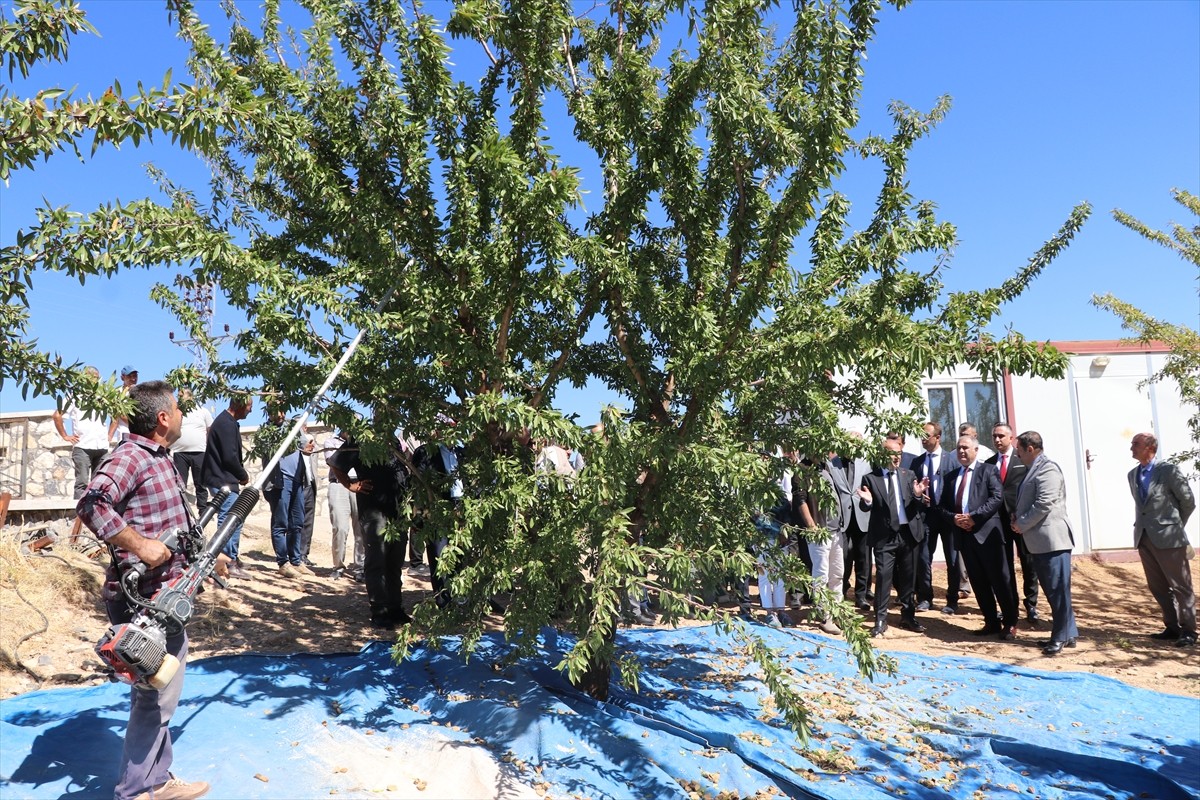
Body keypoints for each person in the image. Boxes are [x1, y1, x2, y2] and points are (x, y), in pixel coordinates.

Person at [77, 380, 221, 800]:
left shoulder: (160, 459)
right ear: (162, 418)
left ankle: (158, 780)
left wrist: (208, 554)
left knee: (162, 690)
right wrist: (139, 545)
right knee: (153, 697)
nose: (180, 416)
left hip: (167, 597)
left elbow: (173, 521)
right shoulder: (130, 457)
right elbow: (91, 504)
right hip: (143, 601)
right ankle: (136, 790)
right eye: (176, 409)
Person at [930, 435, 1018, 640]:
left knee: (1000, 581)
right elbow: (941, 507)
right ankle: (991, 621)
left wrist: (974, 518)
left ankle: (1010, 623)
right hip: (964, 537)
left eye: (966, 448)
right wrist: (954, 519)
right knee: (978, 582)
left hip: (988, 536)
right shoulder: (951, 477)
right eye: (959, 448)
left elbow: (997, 498)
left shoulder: (988, 470)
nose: (961, 451)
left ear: (976, 450)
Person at [329, 432, 411, 628]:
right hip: (374, 511)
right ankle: (380, 611)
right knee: (377, 561)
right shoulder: (360, 438)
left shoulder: (393, 440)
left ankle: (395, 607)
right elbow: (336, 464)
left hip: (397, 511)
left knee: (395, 560)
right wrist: (351, 485)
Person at [1010, 431, 1078, 655]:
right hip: (1040, 541)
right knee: (1055, 591)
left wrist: (1022, 523)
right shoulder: (1034, 469)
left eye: (1019, 449)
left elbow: (1044, 504)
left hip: (1052, 540)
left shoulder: (1048, 469)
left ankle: (1059, 637)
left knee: (1057, 590)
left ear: (1030, 449)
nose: (1016, 454)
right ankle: (1069, 633)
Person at [1128, 432, 1197, 648]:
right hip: (1144, 537)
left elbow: (1188, 501)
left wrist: (1174, 525)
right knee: (1157, 586)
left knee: (1180, 586)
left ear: (1150, 447)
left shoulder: (1168, 471)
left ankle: (1188, 631)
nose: (1131, 448)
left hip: (1169, 538)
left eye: (1136, 444)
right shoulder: (1132, 474)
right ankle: (1172, 626)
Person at [856, 437, 927, 637]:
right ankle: (880, 619)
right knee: (884, 577)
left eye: (898, 454)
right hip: (884, 536)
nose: (896, 458)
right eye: (891, 454)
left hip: (908, 534)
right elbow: (864, 505)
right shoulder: (871, 478)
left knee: (908, 579)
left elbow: (917, 503)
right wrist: (868, 502)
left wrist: (919, 495)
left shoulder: (909, 474)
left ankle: (908, 616)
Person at [51, 365, 110, 542]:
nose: (94, 379)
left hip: (101, 446)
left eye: (96, 377)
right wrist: (65, 435)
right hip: (83, 446)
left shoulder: (103, 396)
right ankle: (79, 522)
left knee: (100, 483)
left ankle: (99, 518)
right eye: (91, 377)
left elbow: (116, 415)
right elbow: (57, 415)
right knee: (82, 482)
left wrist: (109, 435)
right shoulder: (74, 395)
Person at [988, 423, 1039, 623]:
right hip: (998, 522)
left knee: (1028, 563)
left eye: (1001, 436)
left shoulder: (1022, 460)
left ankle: (1031, 604)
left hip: (1021, 520)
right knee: (1004, 566)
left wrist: (1023, 515)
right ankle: (1011, 605)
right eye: (994, 436)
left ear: (1011, 438)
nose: (997, 440)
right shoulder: (990, 463)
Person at [201, 395, 253, 577]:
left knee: (233, 519)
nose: (250, 410)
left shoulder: (227, 422)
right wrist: (243, 475)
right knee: (230, 521)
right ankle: (227, 562)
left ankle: (231, 558)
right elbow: (230, 457)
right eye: (249, 406)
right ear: (239, 405)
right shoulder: (225, 424)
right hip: (222, 480)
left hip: (222, 478)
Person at [912, 421, 961, 614]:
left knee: (953, 559)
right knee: (924, 557)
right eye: (921, 436)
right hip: (926, 515)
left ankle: (952, 600)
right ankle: (925, 597)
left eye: (926, 436)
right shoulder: (917, 462)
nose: (923, 440)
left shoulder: (952, 460)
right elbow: (912, 488)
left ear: (938, 438)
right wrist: (918, 495)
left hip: (947, 516)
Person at [257, 411, 309, 577]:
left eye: (281, 408)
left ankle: (296, 560)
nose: (279, 413)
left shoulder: (293, 427)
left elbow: (304, 445)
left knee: (298, 521)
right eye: (275, 408)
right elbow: (268, 450)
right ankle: (283, 562)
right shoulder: (265, 431)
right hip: (279, 482)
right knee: (281, 523)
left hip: (296, 480)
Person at [796, 456, 845, 634]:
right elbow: (800, 499)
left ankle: (836, 612)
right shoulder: (803, 469)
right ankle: (825, 616)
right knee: (821, 575)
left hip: (836, 531)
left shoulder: (827, 466)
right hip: (819, 532)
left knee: (837, 574)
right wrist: (811, 525)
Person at [324, 429, 364, 581]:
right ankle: (338, 566)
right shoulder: (330, 441)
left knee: (360, 528)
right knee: (340, 528)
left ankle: (360, 567)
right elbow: (332, 461)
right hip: (338, 484)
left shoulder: (362, 441)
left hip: (359, 484)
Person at [169, 389, 213, 511]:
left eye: (181, 395)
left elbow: (210, 430)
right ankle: (182, 510)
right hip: (180, 452)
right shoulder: (177, 412)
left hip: (199, 451)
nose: (179, 398)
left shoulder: (203, 411)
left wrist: (208, 446)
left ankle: (203, 510)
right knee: (180, 484)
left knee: (201, 484)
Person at [107, 365, 139, 444]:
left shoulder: (141, 393)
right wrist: (109, 437)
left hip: (138, 437)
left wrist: (120, 412)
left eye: (135, 376)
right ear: (122, 378)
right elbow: (114, 419)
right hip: (123, 437)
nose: (133, 379)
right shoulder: (116, 393)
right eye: (129, 376)